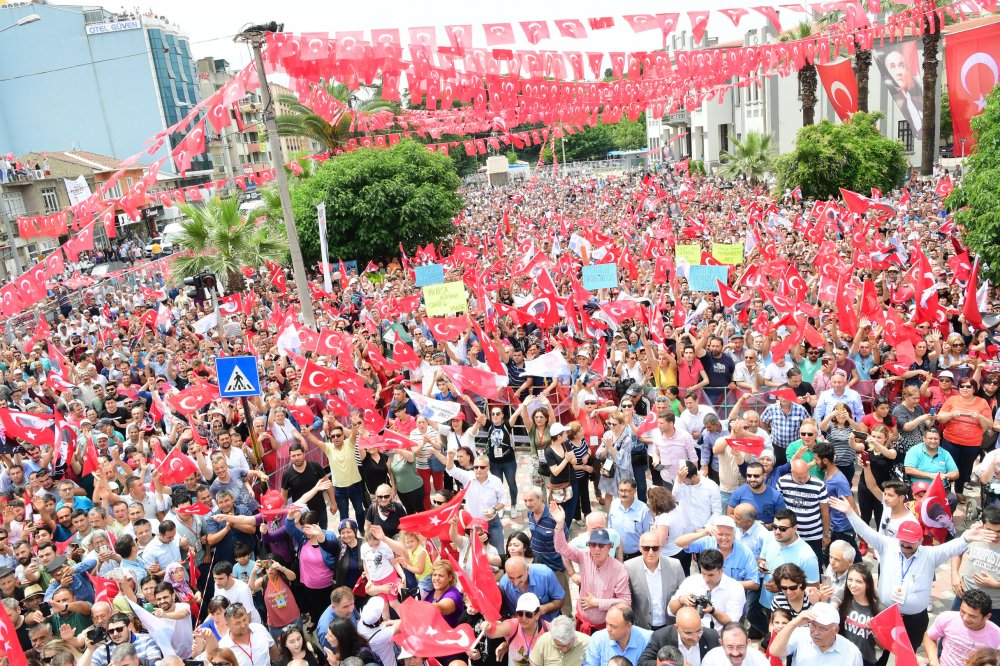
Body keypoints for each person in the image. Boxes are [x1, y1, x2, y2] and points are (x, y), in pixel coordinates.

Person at [831, 494, 997, 649]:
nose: (906, 545)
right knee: (880, 653)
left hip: (915, 620)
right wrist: (850, 513)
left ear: (920, 540)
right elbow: (866, 531)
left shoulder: (930, 554)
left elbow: (952, 547)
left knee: (907, 656)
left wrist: (967, 537)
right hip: (884, 613)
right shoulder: (887, 545)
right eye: (903, 541)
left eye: (911, 542)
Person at [551, 501, 631, 634]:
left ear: (609, 546)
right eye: (593, 545)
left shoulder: (619, 570)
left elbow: (625, 602)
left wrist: (598, 602)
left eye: (601, 545)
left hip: (606, 629)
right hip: (582, 623)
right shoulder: (584, 556)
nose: (597, 549)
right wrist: (559, 524)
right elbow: (561, 548)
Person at [624, 530, 685, 630]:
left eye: (655, 548)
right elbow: (628, 600)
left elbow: (683, 594)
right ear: (640, 548)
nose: (651, 552)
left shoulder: (675, 565)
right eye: (646, 548)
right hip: (642, 627)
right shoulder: (629, 567)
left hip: (670, 625)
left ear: (661, 548)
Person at [767, 602, 862, 665]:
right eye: (813, 625)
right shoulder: (800, 635)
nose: (815, 632)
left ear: (836, 630)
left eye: (822, 629)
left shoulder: (851, 653)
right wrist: (793, 623)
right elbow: (775, 651)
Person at [924, 589, 1000, 666]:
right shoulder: (947, 618)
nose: (965, 618)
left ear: (987, 616)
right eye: (963, 612)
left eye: (972, 616)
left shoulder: (997, 636)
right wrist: (934, 662)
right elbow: (929, 637)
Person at [952, 505, 1000, 624]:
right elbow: (957, 551)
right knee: (951, 631)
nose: (994, 535)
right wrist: (954, 575)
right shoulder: (973, 534)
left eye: (999, 531)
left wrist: (996, 584)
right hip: (964, 598)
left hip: (994, 608)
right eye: (989, 530)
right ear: (983, 524)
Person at [776, 459, 830, 562]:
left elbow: (825, 511)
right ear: (792, 472)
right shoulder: (782, 482)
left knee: (815, 564)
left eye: (805, 476)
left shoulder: (819, 485)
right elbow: (779, 507)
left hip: (813, 535)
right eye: (799, 478)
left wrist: (826, 534)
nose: (802, 480)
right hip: (791, 534)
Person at [483, 592, 551, 666]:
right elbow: (493, 632)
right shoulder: (513, 625)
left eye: (528, 614)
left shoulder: (549, 631)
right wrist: (488, 626)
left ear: (537, 615)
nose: (523, 618)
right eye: (520, 613)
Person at [637, 605, 720, 666]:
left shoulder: (712, 636)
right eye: (689, 633)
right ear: (677, 628)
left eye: (698, 631)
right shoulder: (661, 636)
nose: (695, 638)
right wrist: (672, 663)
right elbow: (643, 663)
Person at [838, 564, 882, 666]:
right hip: (843, 655)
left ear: (867, 584)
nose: (853, 585)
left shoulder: (879, 609)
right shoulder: (843, 599)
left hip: (866, 660)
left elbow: (883, 647)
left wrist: (875, 630)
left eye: (859, 581)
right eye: (850, 579)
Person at [582, 604, 652, 666]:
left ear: (628, 626)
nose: (608, 629)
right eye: (607, 623)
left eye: (613, 626)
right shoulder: (597, 639)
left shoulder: (648, 639)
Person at [85, 611, 163, 666]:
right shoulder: (102, 651)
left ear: (129, 627)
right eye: (111, 631)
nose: (115, 634)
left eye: (119, 629)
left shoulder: (146, 640)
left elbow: (156, 663)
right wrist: (89, 650)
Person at [727, 462, 785, 527]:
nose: (752, 479)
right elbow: (730, 513)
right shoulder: (738, 492)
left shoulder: (775, 495)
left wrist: (765, 526)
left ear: (764, 476)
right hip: (743, 531)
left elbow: (782, 519)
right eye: (749, 476)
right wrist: (746, 524)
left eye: (756, 476)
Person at [607, 478, 652, 560]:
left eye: (626, 491)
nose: (623, 494)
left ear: (634, 491)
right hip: (615, 554)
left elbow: (647, 534)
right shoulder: (614, 504)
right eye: (621, 490)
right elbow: (610, 527)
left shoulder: (643, 509)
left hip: (636, 556)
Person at [701, 622, 770, 666]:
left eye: (740, 646)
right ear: (722, 644)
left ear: (748, 643)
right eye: (730, 647)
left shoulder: (758, 659)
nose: (735, 653)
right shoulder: (711, 659)